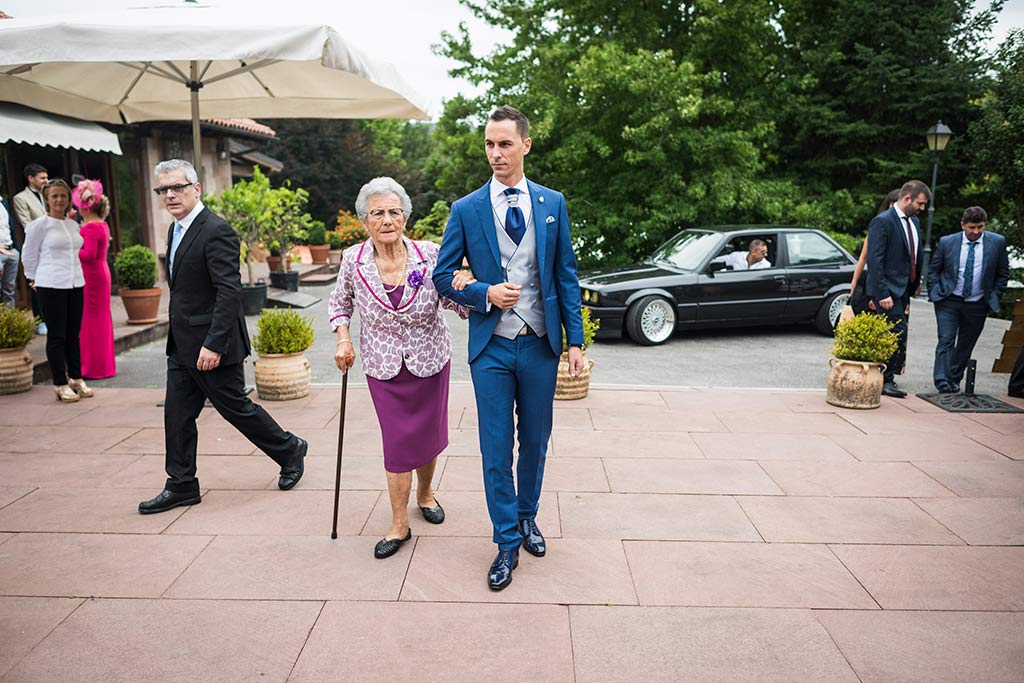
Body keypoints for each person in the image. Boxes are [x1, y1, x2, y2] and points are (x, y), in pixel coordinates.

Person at [433, 105, 585, 591]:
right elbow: (441, 275)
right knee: (496, 447)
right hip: (492, 348)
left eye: (504, 144)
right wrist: (483, 293)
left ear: (525, 145)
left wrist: (575, 340)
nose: (495, 153)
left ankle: (527, 518)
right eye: (488, 144)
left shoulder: (552, 203)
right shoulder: (467, 208)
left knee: (535, 441)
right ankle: (504, 542)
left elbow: (565, 274)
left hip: (540, 343)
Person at [138, 159, 306, 515]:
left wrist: (214, 343)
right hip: (182, 346)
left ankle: (289, 449)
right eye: (163, 189)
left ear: (196, 188)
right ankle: (181, 485)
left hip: (213, 345)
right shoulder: (175, 230)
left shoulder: (215, 230)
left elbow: (229, 292)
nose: (169, 195)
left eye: (177, 187)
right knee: (177, 415)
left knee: (237, 410)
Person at [329, 177, 471, 559]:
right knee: (397, 442)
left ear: (406, 217)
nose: (387, 219)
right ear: (365, 221)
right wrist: (343, 338)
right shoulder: (352, 261)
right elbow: (339, 305)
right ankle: (398, 523)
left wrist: (470, 289)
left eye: (395, 212)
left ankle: (425, 494)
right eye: (378, 213)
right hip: (383, 365)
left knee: (427, 435)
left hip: (430, 358)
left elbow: (455, 300)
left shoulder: (430, 254)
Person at [21, 179, 93, 402]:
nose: (59, 200)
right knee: (57, 335)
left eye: (63, 195)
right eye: (55, 196)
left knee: (73, 334)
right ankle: (60, 383)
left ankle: (76, 377)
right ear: (47, 199)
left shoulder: (73, 224)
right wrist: (32, 277)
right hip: (50, 284)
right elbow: (29, 254)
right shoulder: (39, 225)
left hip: (75, 282)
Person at [928, 206, 1010, 393]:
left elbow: (1003, 273)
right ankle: (942, 381)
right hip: (948, 300)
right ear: (963, 225)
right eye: (972, 227)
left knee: (966, 343)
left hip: (977, 303)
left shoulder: (997, 242)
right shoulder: (948, 242)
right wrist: (935, 290)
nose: (976, 232)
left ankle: (954, 378)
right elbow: (934, 269)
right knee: (946, 339)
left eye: (980, 227)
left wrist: (995, 295)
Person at [866, 180, 929, 398]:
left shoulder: (914, 223)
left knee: (897, 333)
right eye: (920, 204)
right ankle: (886, 379)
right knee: (897, 331)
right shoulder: (882, 222)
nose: (922, 208)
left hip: (904, 289)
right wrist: (882, 293)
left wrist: (916, 281)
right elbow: (875, 260)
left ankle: (884, 376)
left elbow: (913, 253)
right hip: (887, 291)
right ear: (907, 198)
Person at [73, 179, 116, 379]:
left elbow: (88, 254)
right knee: (100, 318)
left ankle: (92, 367)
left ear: (87, 207)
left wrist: (71, 249)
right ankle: (103, 365)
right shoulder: (101, 224)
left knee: (91, 320)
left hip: (92, 277)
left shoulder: (91, 227)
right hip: (100, 272)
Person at [12, 163, 48, 334]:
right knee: (37, 284)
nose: (46, 180)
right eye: (42, 178)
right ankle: (40, 321)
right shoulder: (21, 198)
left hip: (53, 246)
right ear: (31, 179)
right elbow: (27, 224)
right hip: (37, 245)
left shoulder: (50, 194)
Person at [0, 176, 19, 307]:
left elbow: (10, 227)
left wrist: (17, 249)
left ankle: (9, 324)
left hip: (10, 249)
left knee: (9, 289)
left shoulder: (3, 202)